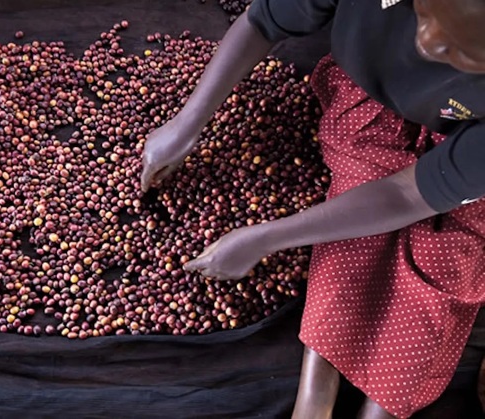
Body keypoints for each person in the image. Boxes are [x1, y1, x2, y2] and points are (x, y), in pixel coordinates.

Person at [139, 0, 485, 418]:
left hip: (468, 157)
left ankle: (379, 409)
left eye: (463, 52)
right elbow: (263, 20)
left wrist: (265, 237)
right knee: (348, 225)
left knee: (445, 258)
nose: (427, 41)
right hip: (372, 112)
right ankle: (317, 389)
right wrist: (185, 126)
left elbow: (406, 197)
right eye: (425, 13)